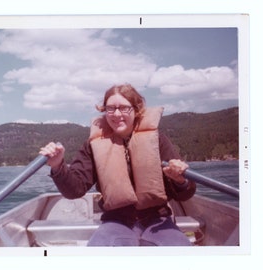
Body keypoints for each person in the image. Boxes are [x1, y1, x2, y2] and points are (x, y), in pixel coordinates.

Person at [39, 84, 196, 246]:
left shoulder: (157, 140)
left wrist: (180, 181)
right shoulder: (93, 145)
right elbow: (74, 190)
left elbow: (185, 194)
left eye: (124, 108)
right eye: (110, 108)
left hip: (157, 220)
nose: (117, 114)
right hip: (116, 222)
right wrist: (58, 167)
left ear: (136, 110)